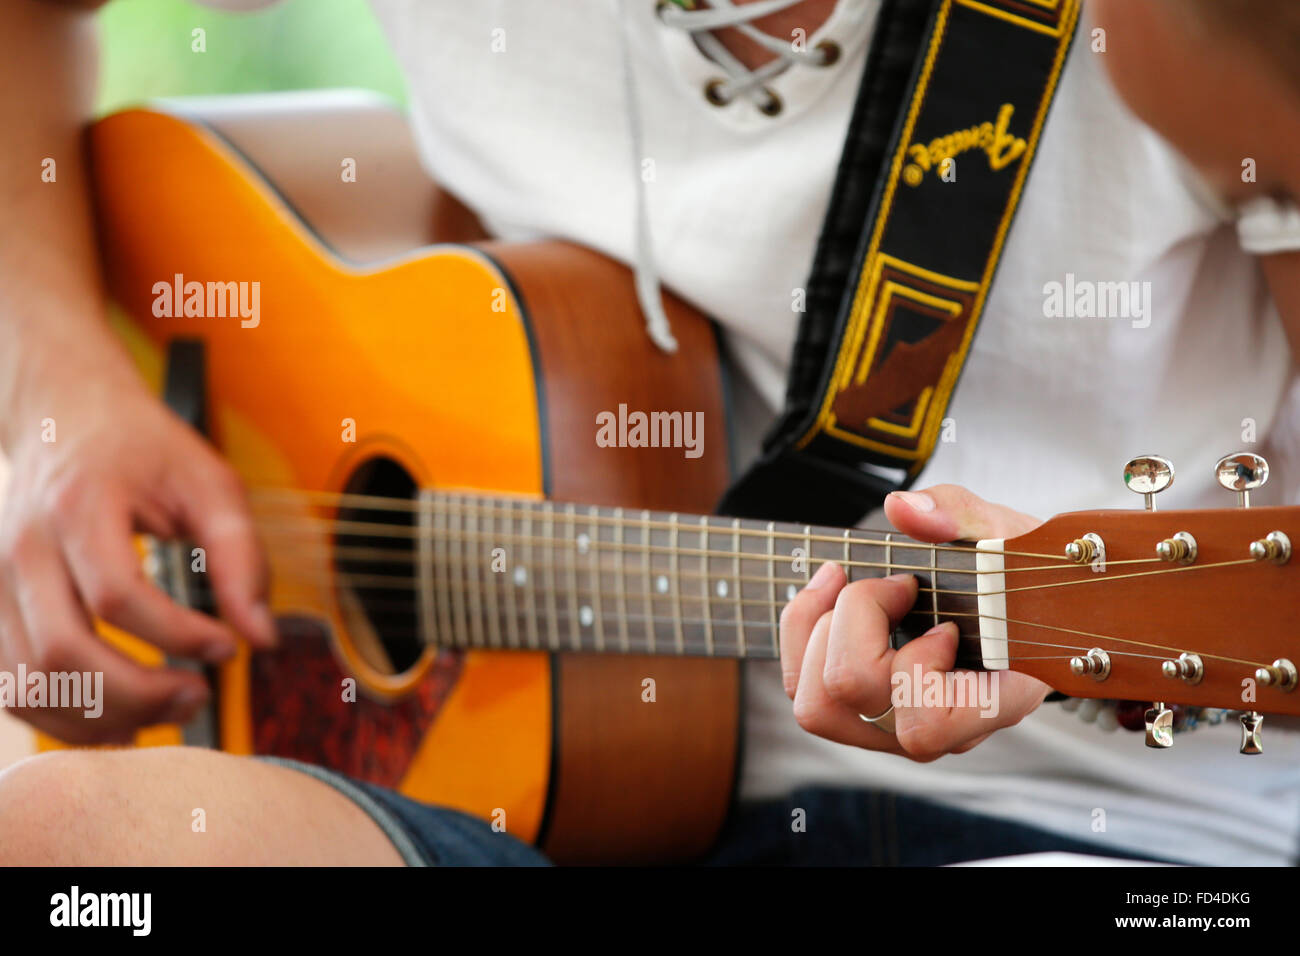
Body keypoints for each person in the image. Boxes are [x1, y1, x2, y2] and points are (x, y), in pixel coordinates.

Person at [0, 0, 1298, 866]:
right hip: (543, 805)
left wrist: (1056, 631)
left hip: (1117, 834)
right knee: (53, 840)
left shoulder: (1189, 28)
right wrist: (61, 398)